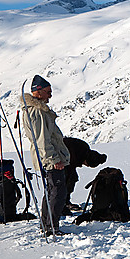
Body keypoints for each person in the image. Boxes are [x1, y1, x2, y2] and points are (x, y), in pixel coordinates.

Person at [22, 75, 71, 236]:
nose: (50, 95)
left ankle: (48, 224)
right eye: (48, 91)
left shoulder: (38, 111)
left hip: (49, 158)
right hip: (49, 160)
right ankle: (51, 226)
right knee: (57, 191)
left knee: (52, 191)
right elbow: (42, 140)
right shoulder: (37, 112)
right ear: (38, 91)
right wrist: (53, 159)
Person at [62, 137, 107, 214]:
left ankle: (65, 201)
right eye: (87, 164)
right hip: (59, 160)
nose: (84, 165)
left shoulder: (83, 149)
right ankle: (62, 204)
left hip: (65, 160)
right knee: (66, 180)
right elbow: (69, 166)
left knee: (72, 178)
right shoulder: (77, 152)